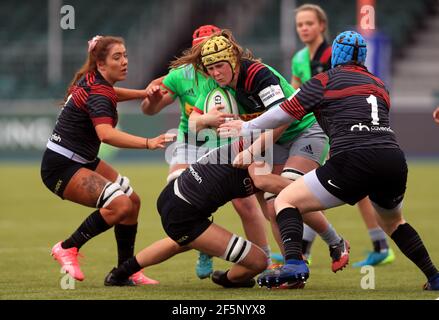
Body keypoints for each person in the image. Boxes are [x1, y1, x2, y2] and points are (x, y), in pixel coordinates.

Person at [219, 31, 439, 290]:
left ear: (335, 54)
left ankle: (294, 264)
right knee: (394, 222)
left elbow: (283, 114)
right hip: (393, 159)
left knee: (285, 200)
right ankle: (434, 276)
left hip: (352, 157)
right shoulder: (380, 85)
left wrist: (245, 128)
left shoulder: (323, 81)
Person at [174, 30, 349, 273]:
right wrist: (208, 119)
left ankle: (336, 242)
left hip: (304, 130)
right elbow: (192, 123)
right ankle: (293, 265)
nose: (215, 73)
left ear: (233, 61)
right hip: (268, 140)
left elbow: (282, 119)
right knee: (273, 206)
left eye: (220, 66)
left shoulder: (259, 75)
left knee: (291, 194)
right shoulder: (218, 83)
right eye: (210, 68)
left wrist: (253, 150)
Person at [103, 135, 344, 288]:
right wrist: (312, 190)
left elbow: (271, 209)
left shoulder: (254, 142)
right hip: (185, 212)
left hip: (173, 198)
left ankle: (119, 274)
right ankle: (227, 279)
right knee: (258, 261)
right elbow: (265, 184)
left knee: (181, 242)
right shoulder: (258, 147)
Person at [41, 35, 175, 284]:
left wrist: (142, 93)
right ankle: (68, 247)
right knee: (120, 205)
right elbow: (106, 134)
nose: (124, 61)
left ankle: (124, 273)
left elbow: (112, 93)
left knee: (132, 202)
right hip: (62, 166)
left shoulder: (96, 81)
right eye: (117, 57)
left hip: (80, 159)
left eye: (125, 55)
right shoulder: (98, 93)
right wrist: (148, 143)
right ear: (101, 64)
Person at [141, 25, 270, 280]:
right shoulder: (180, 74)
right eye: (200, 50)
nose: (207, 56)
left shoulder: (229, 71)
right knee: (177, 190)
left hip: (222, 142)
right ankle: (205, 244)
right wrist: (153, 97)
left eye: (210, 48)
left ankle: (264, 257)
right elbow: (149, 109)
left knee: (245, 202)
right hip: (190, 142)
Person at [290, 3, 395, 268]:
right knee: (332, 186)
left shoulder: (335, 57)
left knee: (326, 185)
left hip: (339, 130)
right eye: (300, 24)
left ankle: (307, 250)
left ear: (322, 26)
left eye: (309, 23)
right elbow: (294, 96)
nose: (304, 28)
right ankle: (378, 245)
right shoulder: (299, 59)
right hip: (315, 129)